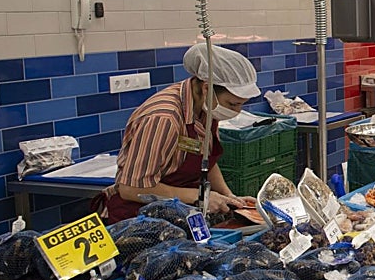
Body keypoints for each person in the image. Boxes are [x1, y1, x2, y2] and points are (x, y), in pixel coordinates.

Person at [104, 43, 260, 222]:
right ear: (207, 88)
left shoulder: (207, 107)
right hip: (140, 218)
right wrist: (199, 196)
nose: (237, 111)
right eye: (233, 104)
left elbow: (205, 160)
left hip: (180, 214)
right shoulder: (163, 118)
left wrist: (230, 198)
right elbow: (131, 189)